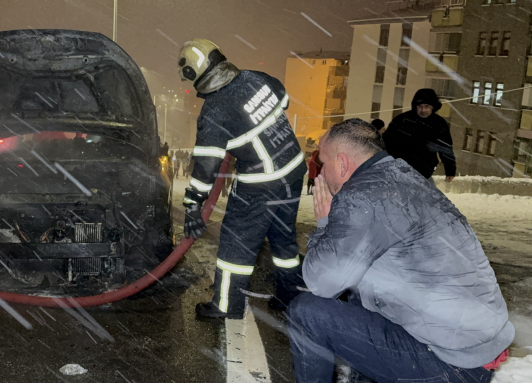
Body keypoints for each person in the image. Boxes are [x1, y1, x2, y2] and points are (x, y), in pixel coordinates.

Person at [287, 118, 513, 383]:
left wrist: (324, 223)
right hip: (476, 348)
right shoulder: (405, 176)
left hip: (449, 362)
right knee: (359, 290)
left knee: (307, 313)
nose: (321, 174)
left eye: (324, 163)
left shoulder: (362, 195)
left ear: (342, 163)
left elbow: (321, 283)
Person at [178, 38, 306, 319]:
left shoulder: (216, 109)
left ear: (192, 74)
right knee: (284, 240)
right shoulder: (255, 77)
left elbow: (207, 164)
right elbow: (283, 99)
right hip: (294, 171)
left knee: (237, 242)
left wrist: (193, 203)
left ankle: (227, 305)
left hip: (261, 184)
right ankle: (290, 297)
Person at [384, 88, 456, 182]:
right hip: (399, 172)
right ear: (415, 106)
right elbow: (386, 143)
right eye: (420, 106)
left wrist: (450, 170)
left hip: (425, 172)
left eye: (427, 106)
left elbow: (445, 148)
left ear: (433, 107)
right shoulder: (402, 121)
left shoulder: (439, 123)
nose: (423, 110)